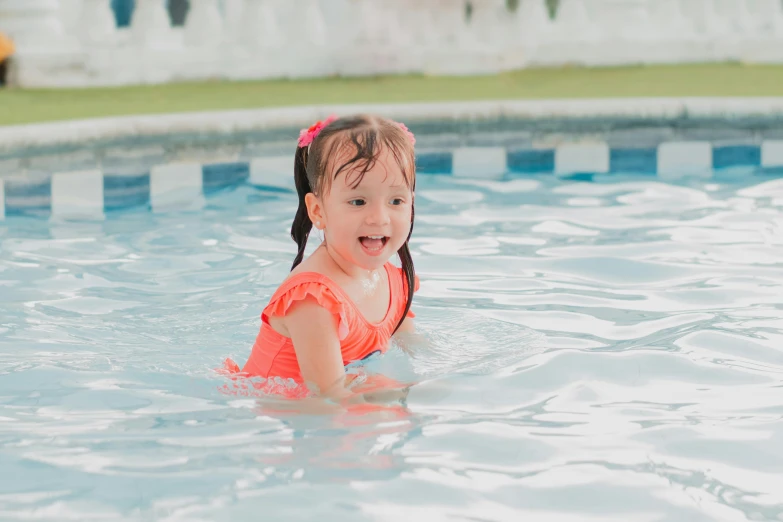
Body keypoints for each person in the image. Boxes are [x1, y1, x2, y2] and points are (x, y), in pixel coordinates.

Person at [223, 114, 419, 403]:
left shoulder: (394, 281)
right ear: (318, 211)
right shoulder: (313, 301)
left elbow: (414, 347)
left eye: (396, 201)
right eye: (358, 201)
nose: (379, 218)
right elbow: (328, 397)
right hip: (276, 412)